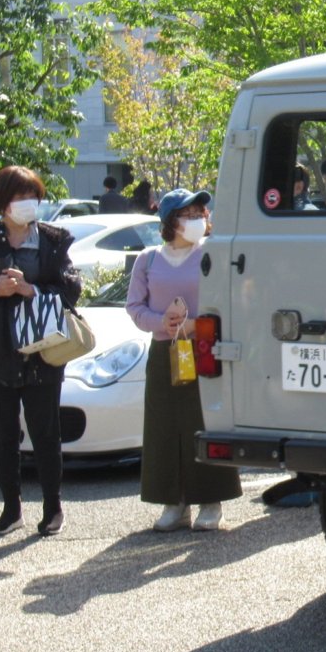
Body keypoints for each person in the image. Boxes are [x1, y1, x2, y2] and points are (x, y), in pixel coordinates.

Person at [0, 166, 82, 537]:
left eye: (33, 196)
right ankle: (11, 509)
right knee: (3, 435)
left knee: (46, 432)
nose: (28, 204)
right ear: (2, 204)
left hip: (43, 351)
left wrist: (31, 290)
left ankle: (53, 507)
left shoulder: (53, 241)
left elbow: (72, 289)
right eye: (20, 198)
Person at [126, 189, 240, 531]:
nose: (197, 220)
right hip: (166, 350)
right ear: (170, 221)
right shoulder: (148, 259)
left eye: (200, 213)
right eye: (188, 214)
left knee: (204, 420)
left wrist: (196, 325)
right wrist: (161, 322)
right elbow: (135, 307)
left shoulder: (212, 255)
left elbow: (231, 301)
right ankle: (173, 502)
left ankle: (211, 501)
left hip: (204, 347)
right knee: (163, 425)